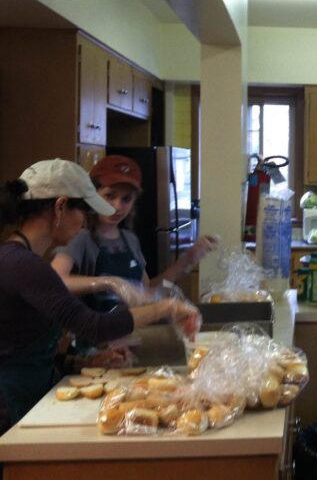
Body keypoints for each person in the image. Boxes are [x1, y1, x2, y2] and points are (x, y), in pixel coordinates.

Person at [0, 159, 199, 434]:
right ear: (60, 207)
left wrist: (82, 363)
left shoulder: (23, 261)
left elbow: (28, 351)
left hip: (31, 398)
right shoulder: (24, 266)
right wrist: (165, 308)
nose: (84, 223)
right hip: (10, 409)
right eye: (84, 211)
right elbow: (94, 326)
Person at [51, 155, 218, 312]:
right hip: (94, 337)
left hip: (129, 332)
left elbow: (146, 290)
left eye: (126, 199)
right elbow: (54, 281)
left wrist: (188, 259)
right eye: (110, 196)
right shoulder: (81, 237)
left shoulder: (129, 240)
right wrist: (109, 283)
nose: (117, 206)